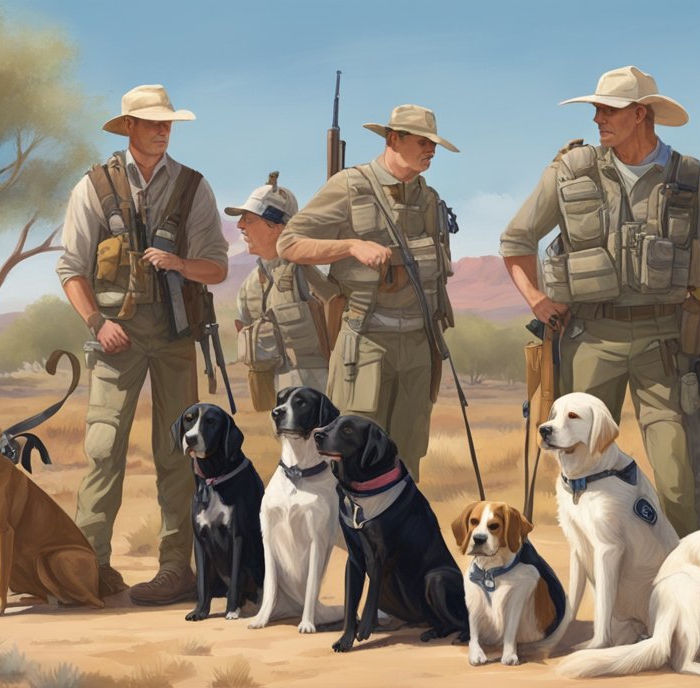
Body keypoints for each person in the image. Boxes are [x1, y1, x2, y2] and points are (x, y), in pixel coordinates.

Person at [500, 66, 700, 536]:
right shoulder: (571, 170)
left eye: (608, 110)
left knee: (676, 475)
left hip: (665, 343)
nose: (597, 118)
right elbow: (516, 239)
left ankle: (684, 582)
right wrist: (535, 300)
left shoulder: (690, 178)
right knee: (579, 470)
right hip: (591, 338)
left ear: (641, 114)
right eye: (596, 109)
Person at [56, 84, 229, 606]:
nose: (162, 128)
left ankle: (177, 568)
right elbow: (70, 268)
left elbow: (217, 267)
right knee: (104, 449)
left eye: (167, 121)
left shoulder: (194, 187)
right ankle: (89, 565)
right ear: (127, 126)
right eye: (151, 121)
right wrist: (95, 322)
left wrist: (178, 264)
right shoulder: (93, 186)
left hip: (176, 334)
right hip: (115, 337)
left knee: (180, 451)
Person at [276, 104, 458, 479]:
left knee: (407, 457)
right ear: (394, 139)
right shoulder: (350, 186)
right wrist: (348, 246)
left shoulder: (428, 198)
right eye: (423, 142)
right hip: (366, 341)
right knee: (352, 453)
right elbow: (289, 243)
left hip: (419, 343)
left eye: (433, 144)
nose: (431, 151)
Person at [227, 173, 336, 412]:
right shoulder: (249, 287)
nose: (240, 226)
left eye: (249, 219)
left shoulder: (314, 270)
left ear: (277, 226)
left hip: (321, 401)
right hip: (277, 404)